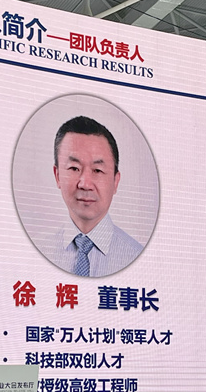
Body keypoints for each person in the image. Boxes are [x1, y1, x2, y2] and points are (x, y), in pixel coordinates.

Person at [46, 115, 143, 277]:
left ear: (115, 181)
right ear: (57, 176)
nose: (85, 184)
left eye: (97, 170)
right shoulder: (38, 253)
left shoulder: (138, 258)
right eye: (74, 168)